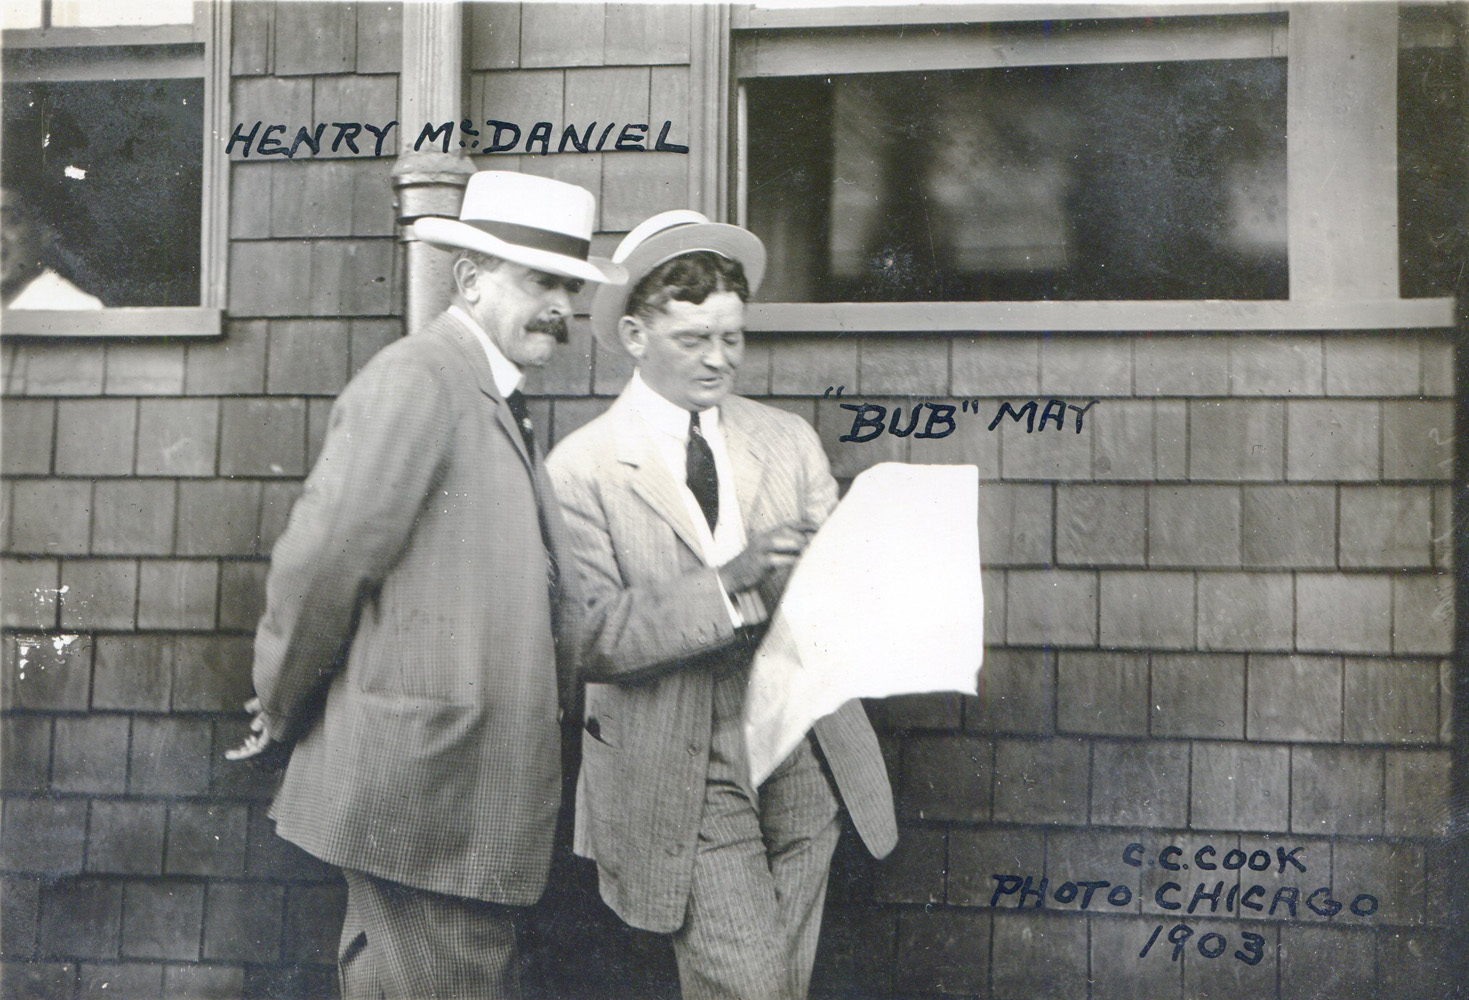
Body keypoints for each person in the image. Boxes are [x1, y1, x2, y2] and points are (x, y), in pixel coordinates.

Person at [227, 170, 625, 999]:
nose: (558, 305)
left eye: (568, 286)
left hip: (450, 804)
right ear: (471, 280)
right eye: (537, 281)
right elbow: (328, 558)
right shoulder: (424, 379)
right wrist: (280, 700)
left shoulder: (485, 394)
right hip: (429, 802)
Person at [546, 211, 898, 1000]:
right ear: (634, 334)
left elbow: (840, 595)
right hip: (675, 748)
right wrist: (730, 583)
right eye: (692, 340)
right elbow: (590, 636)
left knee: (776, 983)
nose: (718, 360)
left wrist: (857, 566)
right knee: (750, 984)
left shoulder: (785, 439)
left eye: (732, 338)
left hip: (802, 740)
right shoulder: (583, 469)